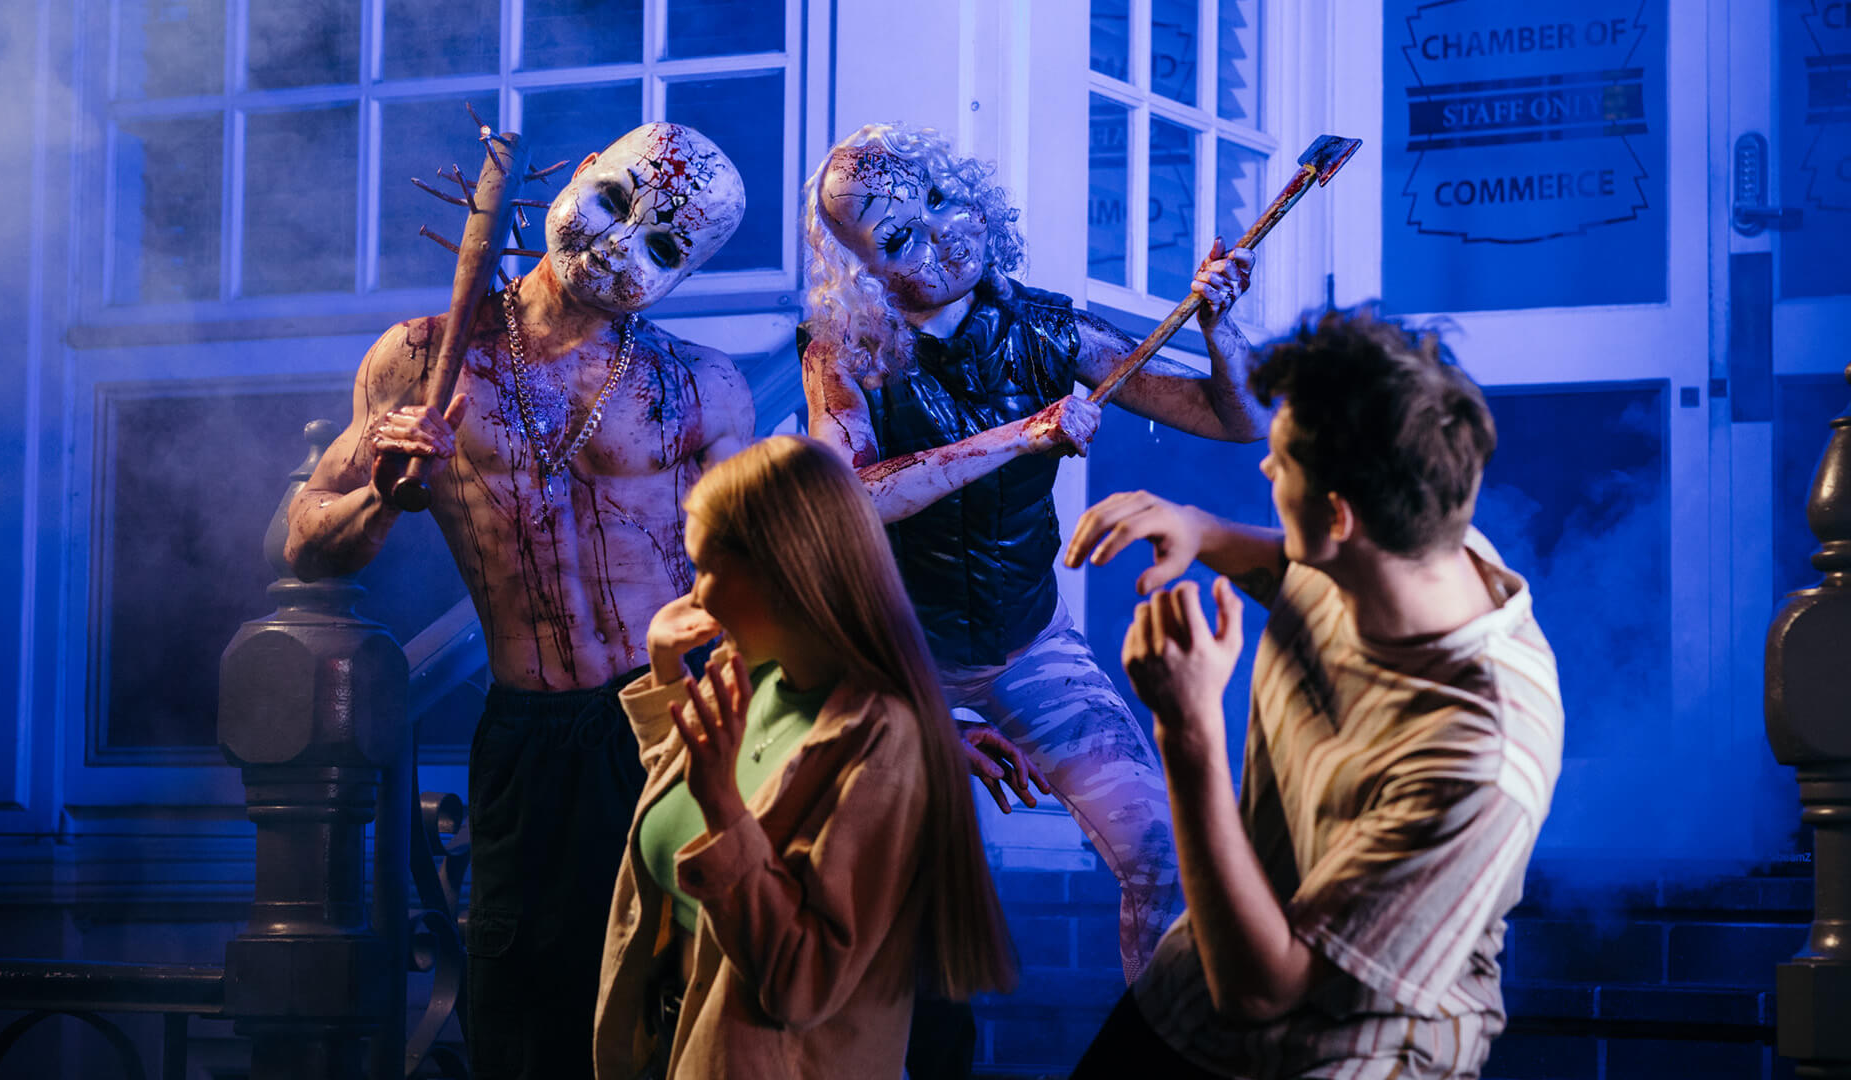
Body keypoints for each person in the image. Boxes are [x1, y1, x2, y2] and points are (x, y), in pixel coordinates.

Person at [284, 122, 754, 1080]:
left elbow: (772, 582)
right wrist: (384, 491)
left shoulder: (701, 386)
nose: (618, 247)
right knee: (524, 1018)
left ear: (684, 276)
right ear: (582, 174)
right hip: (527, 733)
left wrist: (901, 706)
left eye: (662, 248)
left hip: (677, 718)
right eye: (616, 203)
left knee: (688, 1006)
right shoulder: (422, 362)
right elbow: (300, 539)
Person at [798, 121, 1272, 985]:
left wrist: (1220, 327)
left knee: (1165, 855)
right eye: (901, 234)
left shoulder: (1055, 332)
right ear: (863, 267)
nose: (941, 234)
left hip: (1030, 650)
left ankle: (1158, 1062)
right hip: (894, 667)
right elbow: (850, 499)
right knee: (868, 892)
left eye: (942, 200)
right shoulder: (844, 354)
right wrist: (1023, 435)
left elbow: (1237, 419)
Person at [1061, 305, 1564, 1078]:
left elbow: (1265, 992)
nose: (1265, 468)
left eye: (1282, 461)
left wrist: (1188, 732)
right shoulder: (1414, 539)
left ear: (1339, 515)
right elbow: (1306, 569)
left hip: (1330, 1054)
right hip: (1189, 993)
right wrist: (1198, 529)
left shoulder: (1476, 758)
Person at [593, 434, 1017, 1079]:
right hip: (677, 1045)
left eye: (710, 569)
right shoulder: (752, 668)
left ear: (786, 573)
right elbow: (679, 798)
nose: (697, 595)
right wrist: (664, 670)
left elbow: (802, 984)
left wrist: (725, 811)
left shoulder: (883, 741)